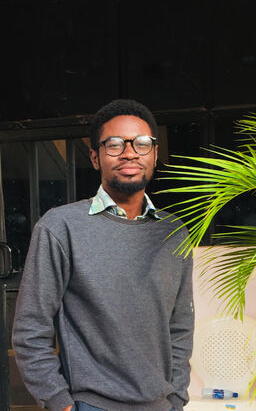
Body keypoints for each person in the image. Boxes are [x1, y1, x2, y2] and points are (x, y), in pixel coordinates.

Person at [12, 99, 194, 411]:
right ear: (95, 157)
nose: (129, 153)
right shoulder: (61, 227)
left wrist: (176, 398)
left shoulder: (174, 232)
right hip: (91, 404)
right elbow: (31, 329)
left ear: (154, 153)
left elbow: (180, 328)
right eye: (114, 144)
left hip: (161, 405)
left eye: (141, 143)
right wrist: (59, 401)